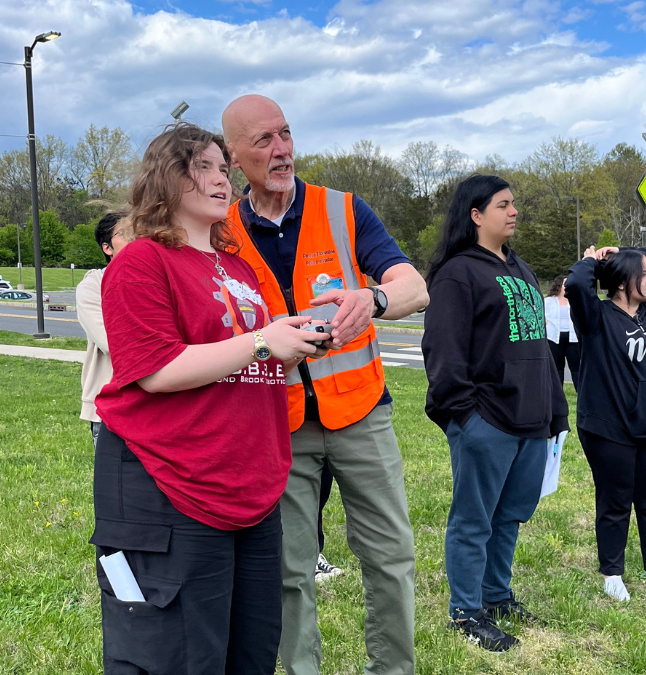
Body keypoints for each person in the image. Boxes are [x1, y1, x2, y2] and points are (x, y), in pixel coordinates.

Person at [91, 123, 329, 674]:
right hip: (172, 482)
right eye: (203, 166)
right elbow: (155, 369)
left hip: (250, 485)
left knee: (250, 650)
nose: (222, 178)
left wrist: (297, 342)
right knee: (178, 655)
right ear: (167, 178)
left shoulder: (238, 266)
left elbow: (247, 358)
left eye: (224, 168)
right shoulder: (142, 261)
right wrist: (264, 339)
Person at [221, 94, 428, 675]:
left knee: (391, 557)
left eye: (285, 134)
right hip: (278, 425)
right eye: (263, 141)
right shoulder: (221, 231)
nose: (281, 150)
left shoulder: (344, 209)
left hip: (361, 414)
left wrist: (377, 296)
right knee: (290, 571)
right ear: (234, 158)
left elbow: (416, 287)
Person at [422, 174, 570, 652]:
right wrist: (465, 417)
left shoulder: (521, 270)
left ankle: (496, 594)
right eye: (503, 204)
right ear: (475, 214)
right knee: (474, 520)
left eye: (514, 204)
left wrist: (555, 411)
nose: (513, 212)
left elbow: (541, 347)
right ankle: (466, 611)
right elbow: (443, 352)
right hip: (485, 420)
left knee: (510, 516)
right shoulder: (458, 273)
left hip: (531, 419)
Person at [564, 246, 646, 603]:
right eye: (644, 273)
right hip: (611, 428)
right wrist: (594, 259)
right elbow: (576, 284)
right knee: (615, 502)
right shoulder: (596, 317)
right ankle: (612, 575)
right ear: (622, 282)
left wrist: (628, 252)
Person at [76, 211, 128, 447]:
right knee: (117, 483)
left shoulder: (161, 281)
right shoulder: (93, 286)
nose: (138, 237)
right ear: (107, 248)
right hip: (110, 410)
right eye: (127, 233)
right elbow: (112, 343)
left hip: (160, 407)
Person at [545, 274, 580, 386]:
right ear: (559, 286)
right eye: (565, 283)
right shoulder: (548, 301)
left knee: (576, 368)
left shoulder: (575, 300)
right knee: (557, 368)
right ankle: (557, 395)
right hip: (554, 339)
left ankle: (580, 393)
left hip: (573, 339)